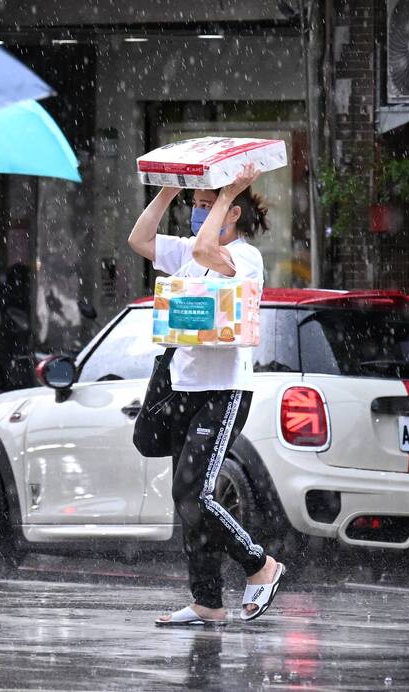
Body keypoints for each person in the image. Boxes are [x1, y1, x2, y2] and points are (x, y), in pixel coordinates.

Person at [128, 164, 285, 626]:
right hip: (184, 385)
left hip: (224, 389)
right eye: (195, 206)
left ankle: (261, 564)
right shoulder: (188, 256)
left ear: (230, 212)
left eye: (204, 206)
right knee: (187, 498)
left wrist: (224, 193)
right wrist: (166, 192)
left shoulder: (244, 257)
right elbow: (139, 240)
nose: (195, 214)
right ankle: (208, 603)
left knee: (193, 492)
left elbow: (204, 245)